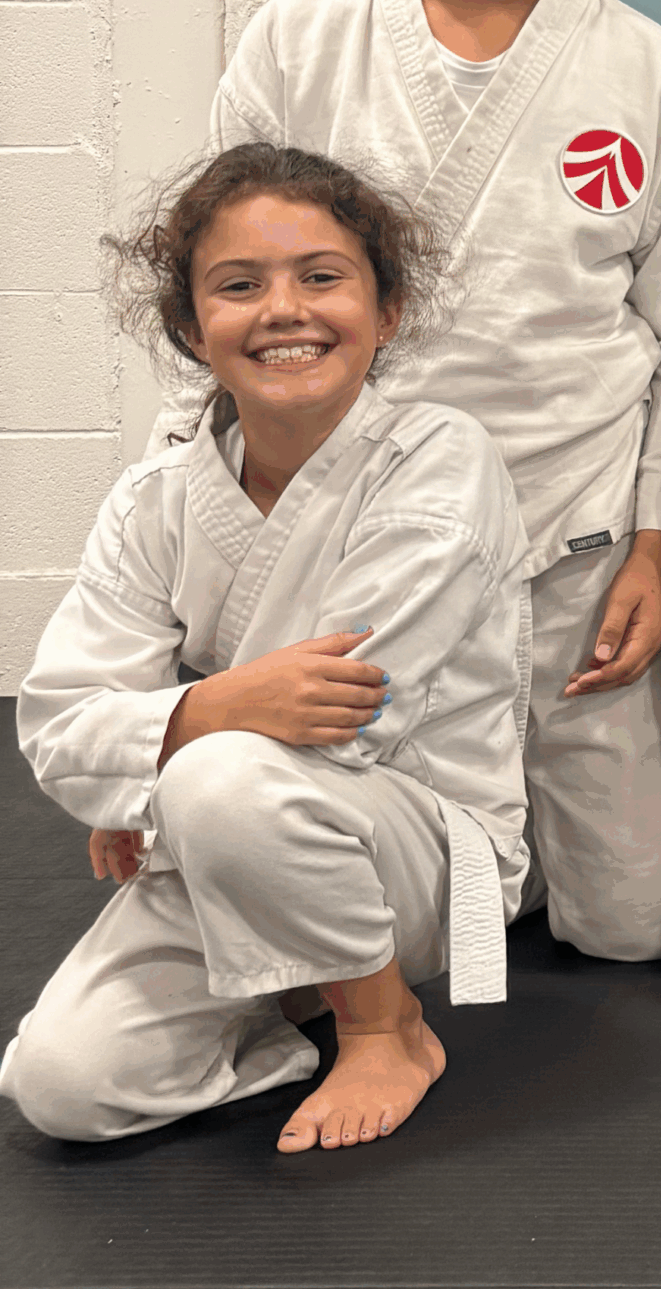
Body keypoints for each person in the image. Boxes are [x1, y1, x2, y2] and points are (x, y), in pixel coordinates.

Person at [162, 0, 661, 961]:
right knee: (401, 922)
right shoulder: (299, 44)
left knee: (632, 927)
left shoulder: (648, 72)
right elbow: (225, 313)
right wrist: (238, 563)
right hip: (365, 552)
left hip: (574, 553)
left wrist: (656, 545)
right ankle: (445, 856)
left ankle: (510, 831)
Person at [3, 146, 529, 1152]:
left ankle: (383, 1023)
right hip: (221, 831)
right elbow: (61, 727)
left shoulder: (441, 459)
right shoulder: (153, 500)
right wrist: (200, 728)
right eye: (240, 286)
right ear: (195, 328)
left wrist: (155, 768)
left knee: (223, 780)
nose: (284, 308)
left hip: (415, 852)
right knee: (63, 1084)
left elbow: (339, 712)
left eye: (321, 276)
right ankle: (289, 1001)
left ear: (389, 310)